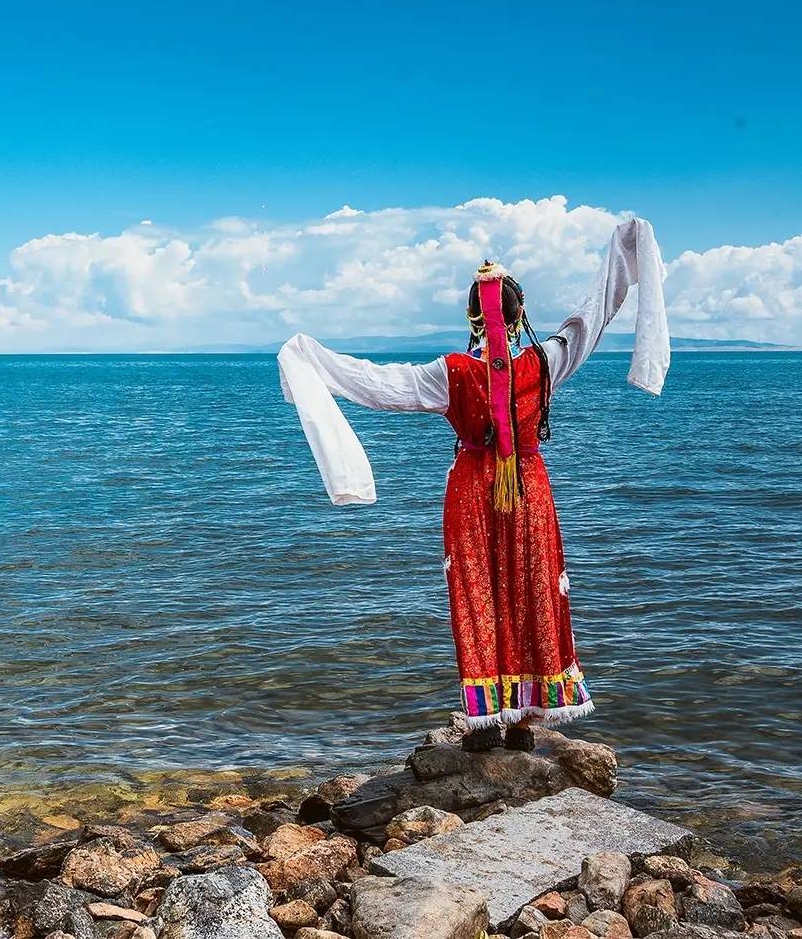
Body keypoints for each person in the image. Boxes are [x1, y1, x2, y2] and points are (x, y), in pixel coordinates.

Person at [278, 217, 669, 750]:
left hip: (471, 489)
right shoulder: (546, 361)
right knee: (531, 588)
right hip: (528, 486)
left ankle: (485, 715)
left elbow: (378, 385)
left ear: (472, 314)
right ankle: (527, 721)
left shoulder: (450, 371)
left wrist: (312, 358)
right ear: (520, 312)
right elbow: (590, 319)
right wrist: (625, 251)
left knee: (478, 592)